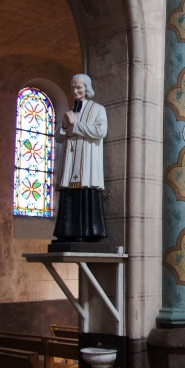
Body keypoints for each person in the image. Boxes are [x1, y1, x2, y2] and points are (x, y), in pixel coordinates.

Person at [52, 74, 108, 243]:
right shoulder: (71, 110)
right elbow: (58, 137)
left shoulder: (98, 109)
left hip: (87, 162)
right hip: (70, 161)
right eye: (73, 87)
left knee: (85, 192)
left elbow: (101, 131)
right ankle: (66, 232)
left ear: (87, 88)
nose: (75, 90)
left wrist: (75, 125)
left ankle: (86, 232)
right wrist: (65, 124)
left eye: (79, 87)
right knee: (69, 193)